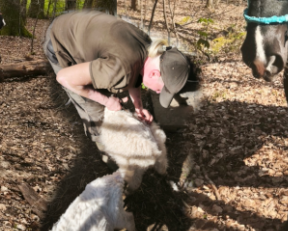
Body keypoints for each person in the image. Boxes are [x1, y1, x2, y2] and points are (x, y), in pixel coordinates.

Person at [44, 11, 194, 153]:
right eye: (161, 89)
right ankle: (105, 148)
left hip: (79, 27)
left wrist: (138, 107)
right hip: (60, 39)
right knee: (95, 107)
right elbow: (64, 78)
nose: (158, 92)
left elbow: (136, 74)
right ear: (155, 73)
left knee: (106, 86)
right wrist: (107, 101)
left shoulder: (148, 48)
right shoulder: (120, 69)